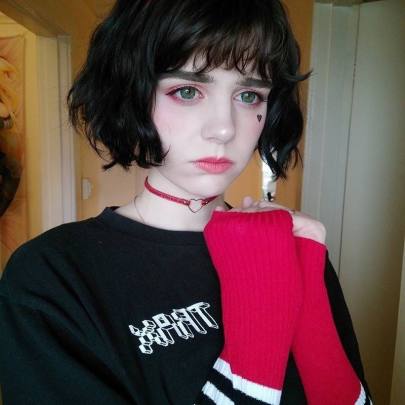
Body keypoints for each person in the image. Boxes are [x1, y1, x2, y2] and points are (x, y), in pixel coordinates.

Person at [0, 0, 373, 404]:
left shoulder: (295, 246)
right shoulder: (51, 278)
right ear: (131, 95)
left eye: (249, 95)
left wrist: (307, 281)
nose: (224, 129)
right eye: (187, 91)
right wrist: (257, 340)